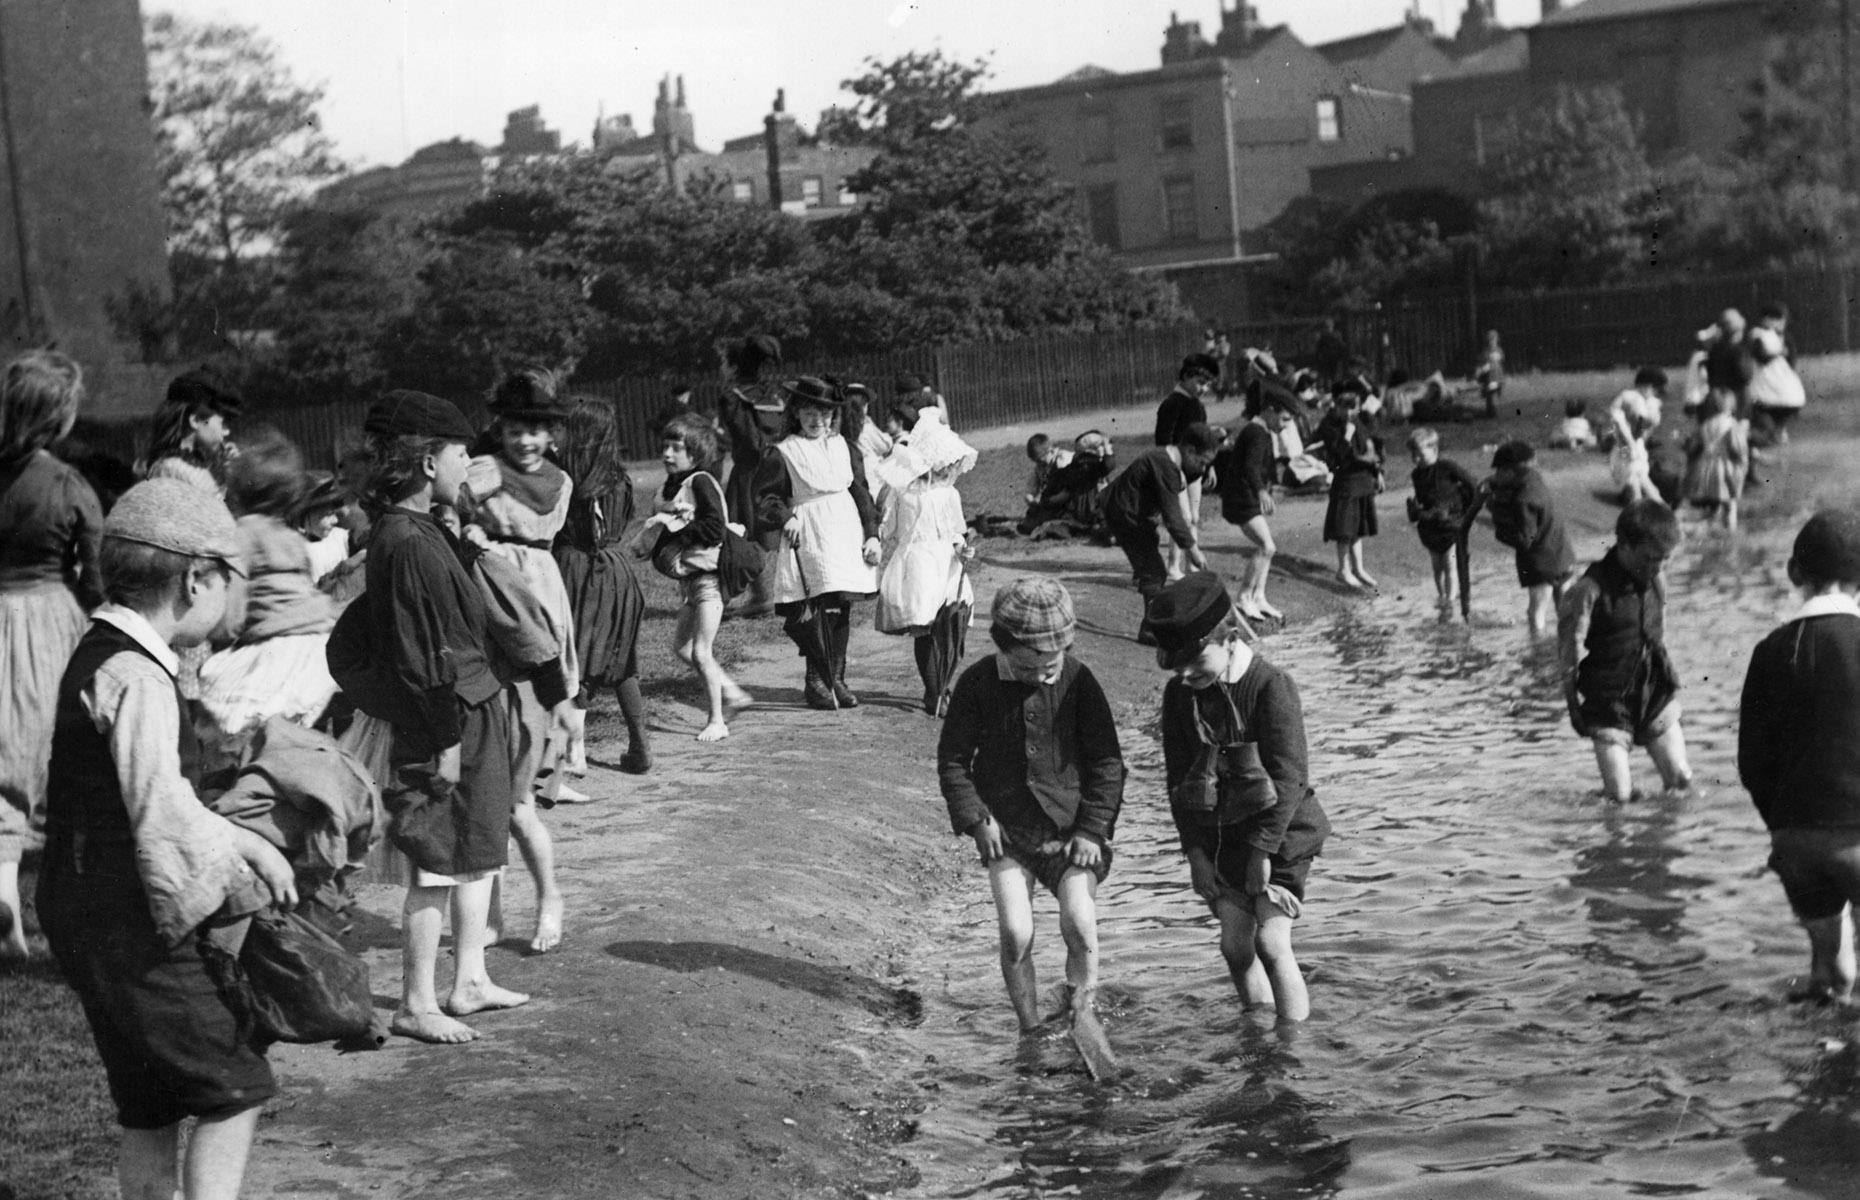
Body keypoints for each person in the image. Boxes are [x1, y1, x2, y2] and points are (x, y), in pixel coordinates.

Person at [36, 477, 295, 1199]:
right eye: (228, 582)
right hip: (130, 918)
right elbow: (164, 812)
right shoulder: (136, 676)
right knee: (232, 1087)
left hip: (79, 905)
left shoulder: (100, 651)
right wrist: (247, 858)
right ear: (195, 578)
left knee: (149, 1105)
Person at [335, 389, 529, 1042]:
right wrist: (443, 735)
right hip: (442, 714)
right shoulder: (406, 540)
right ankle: (417, 1000)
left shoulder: (426, 529)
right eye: (459, 453)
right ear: (425, 463)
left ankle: (467, 979)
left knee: (475, 844)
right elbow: (420, 655)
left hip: (471, 702)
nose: (468, 463)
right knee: (436, 855)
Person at [937, 577, 1125, 1031]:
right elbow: (954, 762)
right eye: (1029, 669)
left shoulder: (1079, 681)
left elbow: (1108, 764)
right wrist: (977, 820)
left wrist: (1092, 830)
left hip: (1071, 834)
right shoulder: (977, 683)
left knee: (1079, 923)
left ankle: (1082, 1015)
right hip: (1008, 832)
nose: (1043, 676)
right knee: (1016, 932)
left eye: (1051, 666)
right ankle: (1030, 1025)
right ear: (1004, 647)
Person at [1147, 572, 1329, 1021]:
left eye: (1196, 659)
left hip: (1280, 834)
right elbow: (1178, 781)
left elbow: (1289, 779)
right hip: (1221, 836)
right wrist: (1194, 853)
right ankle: (1258, 1025)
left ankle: (1290, 1047)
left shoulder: (1270, 686)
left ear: (1229, 638)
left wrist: (1262, 851)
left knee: (1270, 942)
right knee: (1234, 945)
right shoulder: (1180, 696)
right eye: (1176, 665)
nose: (1186, 673)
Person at [465, 371, 584, 952]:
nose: (526, 441)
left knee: (519, 789)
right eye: (516, 429)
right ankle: (489, 915)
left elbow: (554, 533)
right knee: (486, 786)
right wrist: (471, 531)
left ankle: (548, 896)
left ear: (552, 434)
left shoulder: (560, 481)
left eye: (537, 430)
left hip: (536, 588)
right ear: (500, 429)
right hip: (489, 588)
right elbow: (456, 508)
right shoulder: (482, 470)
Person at [0, 350, 101, 957]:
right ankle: (63, 904)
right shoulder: (66, 483)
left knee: (2, 760)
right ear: (58, 416)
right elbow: (94, 576)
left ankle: (5, 891)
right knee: (52, 757)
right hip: (46, 621)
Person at [1738, 510, 1860, 1005]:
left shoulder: (1769, 651)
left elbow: (1753, 763)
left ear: (1793, 574)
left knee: (1830, 975)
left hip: (1796, 841)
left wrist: (1786, 824)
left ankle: (1823, 1062)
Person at [195, 425, 338, 775]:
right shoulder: (290, 536)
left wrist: (221, 635)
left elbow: (234, 608)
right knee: (293, 736)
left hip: (273, 647)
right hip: (314, 644)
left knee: (233, 718)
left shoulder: (241, 535)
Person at [755, 376, 881, 710]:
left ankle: (836, 675)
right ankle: (817, 678)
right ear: (796, 413)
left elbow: (861, 492)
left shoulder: (844, 447)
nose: (817, 421)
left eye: (825, 414)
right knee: (816, 604)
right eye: (810, 412)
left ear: (834, 416)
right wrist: (786, 517)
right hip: (809, 531)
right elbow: (767, 497)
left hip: (844, 529)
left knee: (842, 606)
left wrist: (872, 533)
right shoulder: (783, 452)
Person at [1558, 499, 1692, 803]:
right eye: (1649, 559)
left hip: (1653, 690)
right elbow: (1568, 651)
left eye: (1664, 559)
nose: (1657, 567)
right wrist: (1572, 706)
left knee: (1682, 781)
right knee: (1619, 798)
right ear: (1625, 546)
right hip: (1609, 700)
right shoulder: (1588, 590)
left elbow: (1659, 630)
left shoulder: (1657, 578)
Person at [638, 412, 751, 741]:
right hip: (689, 585)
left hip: (709, 581)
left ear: (695, 454)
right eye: (665, 446)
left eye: (676, 448)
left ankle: (717, 720)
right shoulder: (668, 486)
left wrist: (677, 532)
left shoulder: (701, 482)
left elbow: (715, 528)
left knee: (701, 651)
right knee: (683, 649)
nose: (667, 454)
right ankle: (734, 695)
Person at [554, 397, 653, 773]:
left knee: (574, 658)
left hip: (574, 570)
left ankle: (574, 754)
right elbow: (623, 520)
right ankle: (640, 743)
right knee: (621, 660)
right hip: (617, 572)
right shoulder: (619, 479)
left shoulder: (564, 477)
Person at [872, 401, 978, 714]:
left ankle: (944, 681)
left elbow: (955, 531)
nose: (949, 469)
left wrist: (962, 548)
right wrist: (877, 529)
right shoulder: (904, 492)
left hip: (945, 560)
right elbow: (887, 528)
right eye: (943, 462)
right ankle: (934, 690)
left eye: (952, 463)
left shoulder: (950, 494)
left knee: (952, 623)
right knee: (926, 626)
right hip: (917, 562)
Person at [1103, 422, 1221, 643]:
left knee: (1152, 566)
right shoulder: (1164, 464)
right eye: (1201, 462)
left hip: (1132, 513)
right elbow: (1172, 517)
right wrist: (1193, 549)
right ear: (1189, 450)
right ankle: (1149, 629)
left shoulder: (1168, 461)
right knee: (1154, 571)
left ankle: (1151, 623)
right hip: (1125, 514)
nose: (1202, 469)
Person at [717, 334, 787, 616]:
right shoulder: (773, 396)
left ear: (734, 367)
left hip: (749, 469)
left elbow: (745, 439)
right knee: (767, 528)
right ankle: (766, 594)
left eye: (724, 362)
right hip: (777, 467)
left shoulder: (733, 397)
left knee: (741, 529)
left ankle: (757, 596)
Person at [1487, 440, 1576, 637]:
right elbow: (1510, 487)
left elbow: (1524, 539)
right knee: (1565, 610)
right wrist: (1495, 488)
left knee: (1536, 612)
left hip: (1540, 563)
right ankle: (1567, 646)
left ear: (1510, 471)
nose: (1496, 476)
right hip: (1562, 554)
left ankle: (1538, 651)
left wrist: (1499, 531)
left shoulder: (1523, 500)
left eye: (1499, 471)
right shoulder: (1535, 480)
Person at [1214, 400, 1284, 622]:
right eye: (1284, 419)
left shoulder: (1259, 431)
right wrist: (1262, 491)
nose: (1285, 426)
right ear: (1270, 411)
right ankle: (1245, 597)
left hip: (1246, 497)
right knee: (1267, 546)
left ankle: (1259, 597)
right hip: (1240, 499)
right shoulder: (1255, 432)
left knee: (1267, 547)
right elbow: (1251, 466)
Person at [1155, 354, 1220, 580]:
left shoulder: (1198, 407)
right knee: (1181, 518)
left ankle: (1192, 563)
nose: (1203, 389)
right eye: (1200, 383)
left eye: (1207, 385)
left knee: (1194, 516)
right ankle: (1173, 565)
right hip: (1176, 470)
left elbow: (1204, 440)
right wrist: (1174, 472)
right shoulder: (1171, 404)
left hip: (1194, 472)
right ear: (1185, 377)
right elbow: (1163, 441)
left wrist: (1209, 465)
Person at [1406, 427, 1481, 612]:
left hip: (1451, 523)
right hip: (1429, 525)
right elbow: (1421, 497)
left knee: (1449, 562)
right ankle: (1441, 595)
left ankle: (1449, 601)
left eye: (1420, 454)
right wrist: (1417, 510)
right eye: (1413, 455)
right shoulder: (1416, 474)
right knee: (1436, 564)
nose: (1416, 459)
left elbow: (1472, 484)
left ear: (1435, 450)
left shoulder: (1447, 467)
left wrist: (1467, 511)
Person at [1318, 391, 1383, 590]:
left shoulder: (1360, 421)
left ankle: (1358, 568)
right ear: (1336, 406)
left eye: (1352, 408)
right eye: (1343, 407)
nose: (1348, 412)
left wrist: (1378, 471)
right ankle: (1343, 569)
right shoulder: (1329, 426)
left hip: (1363, 480)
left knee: (1357, 527)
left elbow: (1371, 448)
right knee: (1345, 527)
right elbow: (1337, 456)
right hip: (1345, 480)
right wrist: (1346, 434)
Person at [143, 370, 242, 490]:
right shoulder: (172, 469)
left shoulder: (182, 466)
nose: (227, 432)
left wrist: (228, 471)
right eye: (222, 423)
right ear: (195, 421)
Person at [1683, 388, 1749, 532]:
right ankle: (1731, 530)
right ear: (1732, 405)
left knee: (1713, 504)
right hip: (1725, 468)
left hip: (1705, 468)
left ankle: (1709, 528)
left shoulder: (1705, 424)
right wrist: (1743, 464)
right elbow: (1738, 448)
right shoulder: (1732, 424)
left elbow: (1693, 447)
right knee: (1730, 503)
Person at [1747, 301, 1806, 445]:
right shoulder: (1758, 334)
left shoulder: (1786, 339)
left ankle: (1776, 435)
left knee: (1777, 426)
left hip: (1783, 388)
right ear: (1765, 319)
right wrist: (1778, 353)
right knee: (1765, 423)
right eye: (1777, 320)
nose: (1781, 324)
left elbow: (1792, 361)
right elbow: (1760, 356)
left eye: (1783, 320)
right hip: (1765, 388)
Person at [1607, 368, 1664, 505]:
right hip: (1631, 448)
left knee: (1639, 485)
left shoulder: (1636, 399)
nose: (1654, 394)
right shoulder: (1635, 399)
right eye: (1655, 390)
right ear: (1648, 386)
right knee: (1643, 484)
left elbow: (1623, 425)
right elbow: (1636, 427)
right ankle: (1665, 513)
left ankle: (1652, 512)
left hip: (1629, 448)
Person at [1475, 329, 1505, 418]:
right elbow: (1482, 363)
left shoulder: (1499, 351)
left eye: (1494, 340)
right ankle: (1490, 411)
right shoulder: (1486, 352)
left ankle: (1492, 411)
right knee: (1489, 395)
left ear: (1497, 340)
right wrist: (1482, 369)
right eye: (1490, 340)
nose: (1492, 342)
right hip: (1488, 378)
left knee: (1492, 394)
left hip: (1496, 377)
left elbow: (1500, 359)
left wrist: (1490, 364)